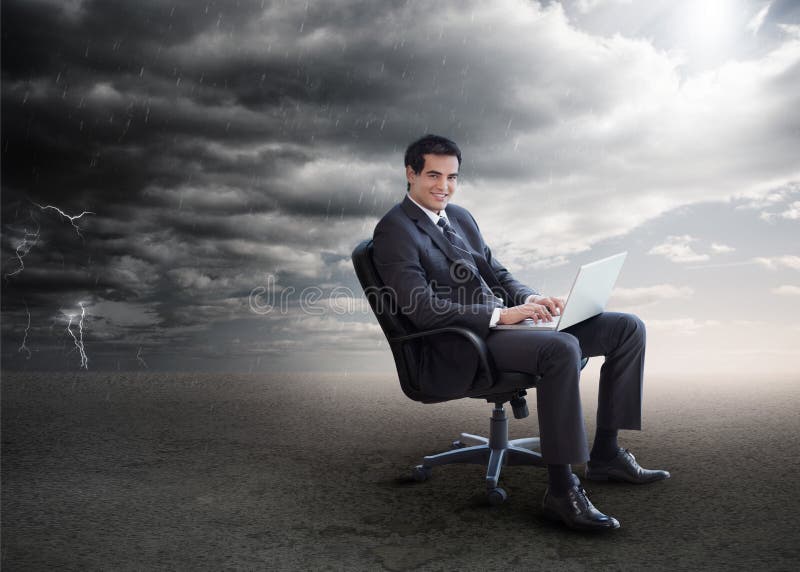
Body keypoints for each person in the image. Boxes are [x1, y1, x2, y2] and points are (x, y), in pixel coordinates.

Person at [372, 134, 669, 532]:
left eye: (452, 177)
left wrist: (532, 300)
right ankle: (562, 492)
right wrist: (501, 315)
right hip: (459, 343)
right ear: (410, 173)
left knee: (627, 328)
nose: (444, 186)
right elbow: (421, 310)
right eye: (433, 175)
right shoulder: (394, 230)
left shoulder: (460, 217)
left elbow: (498, 273)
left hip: (504, 326)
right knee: (561, 348)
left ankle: (606, 455)